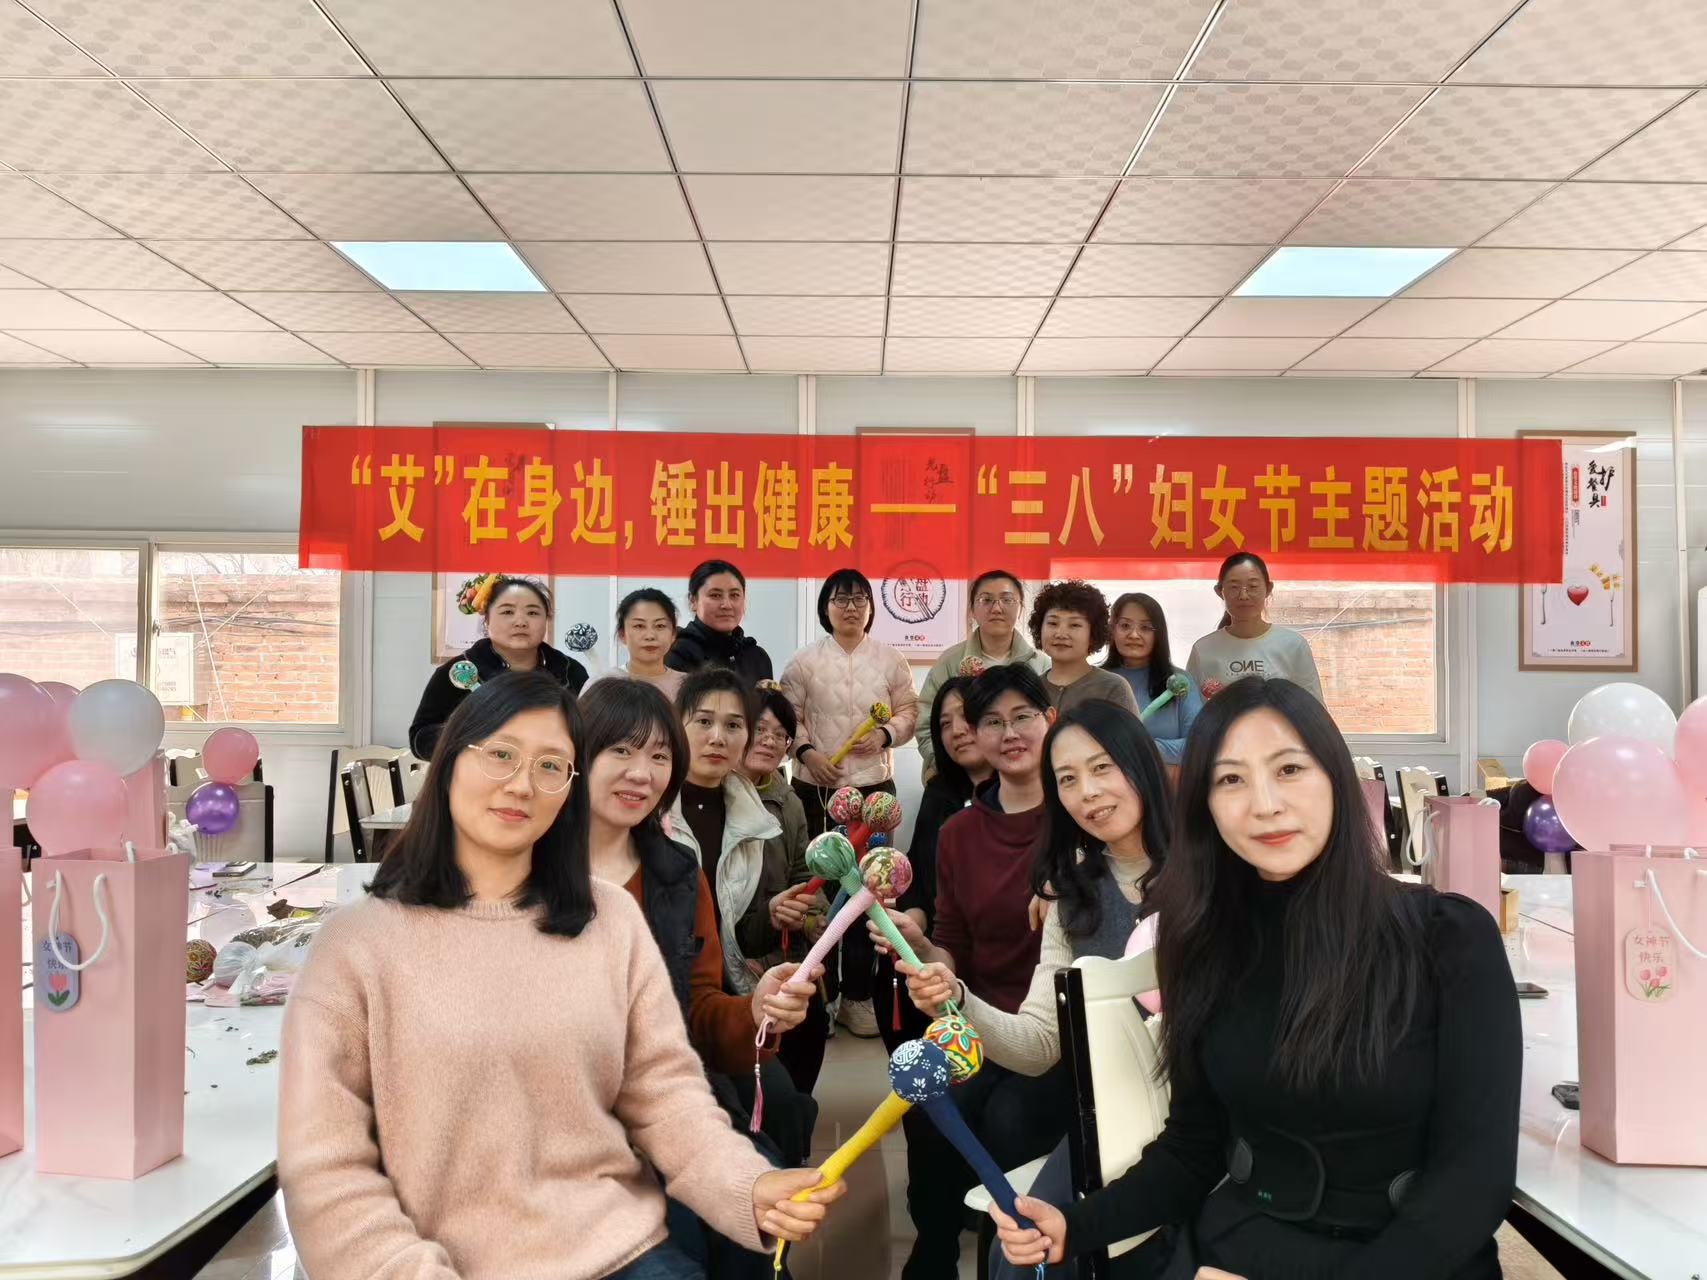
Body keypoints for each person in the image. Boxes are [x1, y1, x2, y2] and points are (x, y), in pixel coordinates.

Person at [279, 672, 843, 1280]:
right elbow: (330, 1168)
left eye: (549, 766)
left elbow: (670, 1067)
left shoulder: (646, 895)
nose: (522, 783)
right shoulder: (372, 939)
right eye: (501, 755)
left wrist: (742, 1171)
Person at [990, 677, 1521, 1280]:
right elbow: (1193, 1149)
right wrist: (1077, 1224)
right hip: (1244, 1245)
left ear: (1335, 779)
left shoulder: (1449, 937)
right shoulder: (1201, 945)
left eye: (1289, 769)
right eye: (1231, 780)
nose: (1265, 804)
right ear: (1206, 808)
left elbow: (1473, 1185)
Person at [902, 700, 1173, 1280]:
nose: (1087, 792)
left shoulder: (1213, 868)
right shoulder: (1071, 895)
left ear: (1140, 763)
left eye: (1102, 768)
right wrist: (957, 999)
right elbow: (1039, 1045)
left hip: (1211, 1125)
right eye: (1067, 780)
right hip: (1112, 1123)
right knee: (1020, 1256)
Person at [577, 677, 824, 1277]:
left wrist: (755, 1011)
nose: (642, 773)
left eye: (659, 756)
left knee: (753, 1216)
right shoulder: (525, 868)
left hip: (667, 1100)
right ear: (579, 756)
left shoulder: (678, 876)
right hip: (567, 1120)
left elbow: (697, 1010)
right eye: (621, 751)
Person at [868, 663, 1074, 1280]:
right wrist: (922, 947)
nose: (1008, 733)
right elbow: (952, 944)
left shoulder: (1078, 822)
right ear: (976, 736)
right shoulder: (958, 832)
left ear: (1050, 721)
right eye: (991, 721)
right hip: (976, 1023)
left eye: (1022, 717)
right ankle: (934, 1248)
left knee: (1011, 1120)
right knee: (927, 1104)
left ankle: (1004, 1256)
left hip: (1057, 1034)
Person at [781, 568, 919, 1039]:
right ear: (825, 608)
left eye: (860, 598)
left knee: (866, 890)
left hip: (873, 790)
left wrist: (885, 734)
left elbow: (909, 710)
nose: (851, 607)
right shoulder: (803, 661)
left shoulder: (890, 658)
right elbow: (788, 717)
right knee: (817, 889)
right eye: (840, 599)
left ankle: (858, 997)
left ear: (871, 607)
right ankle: (819, 996)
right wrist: (806, 753)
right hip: (815, 787)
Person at [739, 681, 830, 1093]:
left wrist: (814, 918)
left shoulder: (788, 799)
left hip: (783, 948)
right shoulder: (714, 793)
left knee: (811, 1028)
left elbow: (802, 873)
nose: (770, 741)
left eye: (781, 734)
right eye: (760, 729)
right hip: (735, 954)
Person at [408, 575, 588, 758]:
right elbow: (420, 739)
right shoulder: (458, 671)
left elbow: (590, 735)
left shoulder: (570, 672)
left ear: (547, 619)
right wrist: (470, 736)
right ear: (486, 619)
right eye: (507, 612)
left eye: (533, 613)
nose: (520, 621)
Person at [917, 569, 1050, 782]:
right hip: (959, 779)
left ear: (1021, 608)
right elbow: (926, 723)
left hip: (1024, 778)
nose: (996, 608)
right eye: (986, 600)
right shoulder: (950, 662)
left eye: (1007, 599)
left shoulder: (1041, 663)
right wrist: (944, 765)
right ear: (972, 609)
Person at [1186, 552, 1323, 703]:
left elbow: (1314, 708)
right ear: (1220, 591)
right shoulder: (1203, 649)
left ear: (1268, 589)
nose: (1243, 595)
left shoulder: (1293, 645)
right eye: (1234, 587)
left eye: (1253, 586)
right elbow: (1189, 710)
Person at [1104, 592, 1203, 764]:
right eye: (1125, 625)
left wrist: (1142, 748)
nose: (1134, 635)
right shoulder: (1097, 680)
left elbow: (1199, 744)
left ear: (1159, 634)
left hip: (1164, 781)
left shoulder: (1179, 681)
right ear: (1112, 630)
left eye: (1145, 628)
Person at [1029, 579, 1140, 717]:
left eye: (1074, 625)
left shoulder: (1113, 687)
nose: (1060, 634)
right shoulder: (1029, 689)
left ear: (1093, 634)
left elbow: (1130, 732)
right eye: (1053, 623)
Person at [666, 560, 773, 685]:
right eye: (715, 595)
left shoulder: (757, 656)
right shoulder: (677, 653)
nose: (726, 605)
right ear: (692, 601)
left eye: (734, 595)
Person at [592, 587, 685, 702]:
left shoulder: (689, 686)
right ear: (622, 634)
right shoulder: (601, 685)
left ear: (673, 634)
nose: (650, 636)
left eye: (660, 626)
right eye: (639, 626)